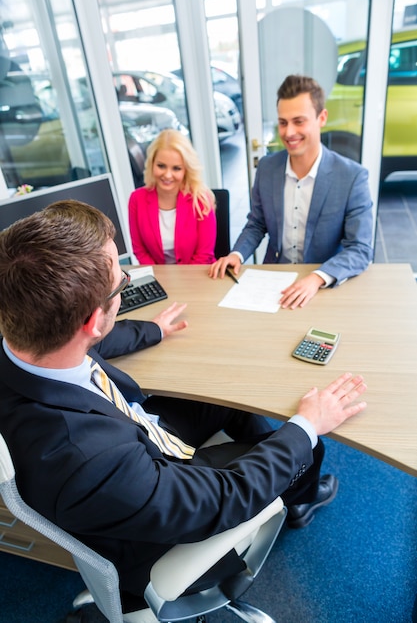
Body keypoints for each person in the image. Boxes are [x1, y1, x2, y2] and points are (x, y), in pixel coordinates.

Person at [0, 200, 367, 613]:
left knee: (222, 393)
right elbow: (222, 500)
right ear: (90, 320)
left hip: (133, 431)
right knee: (309, 444)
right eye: (121, 281)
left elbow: (93, 342)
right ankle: (299, 493)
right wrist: (303, 428)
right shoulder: (87, 459)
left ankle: (283, 473)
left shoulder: (27, 343)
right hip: (158, 501)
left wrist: (153, 329)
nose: (125, 279)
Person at [209, 74, 374, 309]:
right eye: (283, 122)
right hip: (272, 284)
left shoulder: (352, 177)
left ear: (322, 118)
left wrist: (317, 278)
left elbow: (360, 249)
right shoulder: (266, 168)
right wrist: (236, 254)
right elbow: (257, 224)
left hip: (322, 284)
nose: (288, 133)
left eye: (299, 121)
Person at [129, 129, 217, 265]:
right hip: (158, 277)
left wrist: (180, 283)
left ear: (186, 170)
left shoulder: (200, 199)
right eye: (161, 166)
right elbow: (139, 250)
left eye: (176, 168)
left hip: (197, 275)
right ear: (152, 164)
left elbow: (203, 255)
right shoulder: (136, 199)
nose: (167, 175)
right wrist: (159, 280)